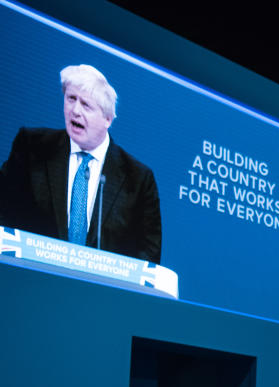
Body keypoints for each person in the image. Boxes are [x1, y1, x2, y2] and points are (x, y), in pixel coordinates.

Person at [0, 64, 161, 263]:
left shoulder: (138, 179)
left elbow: (149, 255)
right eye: (71, 99)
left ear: (107, 119)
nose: (75, 111)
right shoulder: (31, 147)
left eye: (86, 105)